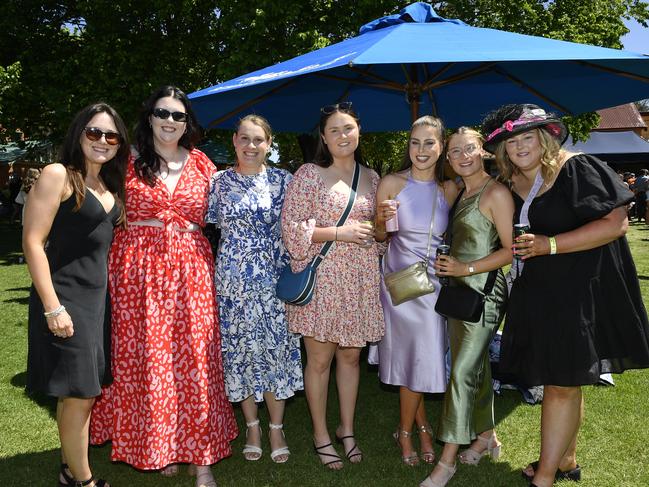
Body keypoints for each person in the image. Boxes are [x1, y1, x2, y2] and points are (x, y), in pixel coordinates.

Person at [482, 103, 649, 487]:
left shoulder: (575, 167)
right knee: (567, 377)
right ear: (502, 150)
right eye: (511, 142)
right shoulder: (510, 185)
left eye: (527, 137)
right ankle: (566, 459)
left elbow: (617, 223)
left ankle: (544, 475)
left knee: (559, 382)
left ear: (544, 138)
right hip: (541, 291)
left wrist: (550, 245)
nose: (520, 146)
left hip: (582, 289)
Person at [90, 86, 237, 487]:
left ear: (187, 123)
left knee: (195, 360)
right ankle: (160, 447)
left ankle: (201, 456)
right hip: (137, 274)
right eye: (162, 113)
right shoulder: (124, 161)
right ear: (149, 117)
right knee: (149, 360)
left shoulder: (204, 164)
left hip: (191, 271)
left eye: (178, 115)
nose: (170, 121)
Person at [24, 102, 129, 487]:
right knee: (80, 394)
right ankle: (83, 481)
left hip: (96, 301)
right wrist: (53, 308)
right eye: (94, 132)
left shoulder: (108, 186)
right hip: (63, 296)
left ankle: (70, 470)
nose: (103, 140)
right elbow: (33, 242)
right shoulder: (58, 175)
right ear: (79, 134)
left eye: (111, 135)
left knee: (81, 393)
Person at [281, 102, 384, 470]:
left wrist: (380, 232)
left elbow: (380, 236)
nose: (343, 136)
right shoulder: (309, 174)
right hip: (323, 278)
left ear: (359, 132)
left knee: (351, 357)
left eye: (349, 128)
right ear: (323, 137)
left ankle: (347, 429)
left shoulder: (372, 177)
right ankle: (320, 433)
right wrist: (340, 232)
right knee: (320, 360)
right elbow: (291, 230)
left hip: (360, 279)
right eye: (335, 130)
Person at [206, 114, 303, 464]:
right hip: (232, 281)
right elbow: (208, 225)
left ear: (269, 144)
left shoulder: (284, 180)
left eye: (258, 140)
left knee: (275, 349)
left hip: (273, 279)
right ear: (234, 141)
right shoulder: (217, 182)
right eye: (244, 139)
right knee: (240, 350)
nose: (251, 146)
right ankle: (252, 426)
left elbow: (299, 226)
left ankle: (276, 426)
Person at [421, 127, 513, 487]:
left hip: (486, 293)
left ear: (484, 152)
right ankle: (486, 435)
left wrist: (466, 267)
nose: (462, 156)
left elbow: (510, 249)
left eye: (469, 149)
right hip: (460, 294)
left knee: (460, 373)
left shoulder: (496, 193)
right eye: (455, 151)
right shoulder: (462, 191)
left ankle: (447, 461)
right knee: (476, 370)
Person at [368, 115, 457, 467]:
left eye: (429, 143)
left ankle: (413, 427)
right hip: (399, 287)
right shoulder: (391, 182)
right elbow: (380, 237)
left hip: (433, 286)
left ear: (441, 147)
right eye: (415, 142)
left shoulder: (448, 189)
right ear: (408, 146)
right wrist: (379, 220)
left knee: (420, 359)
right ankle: (412, 431)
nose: (421, 150)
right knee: (414, 358)